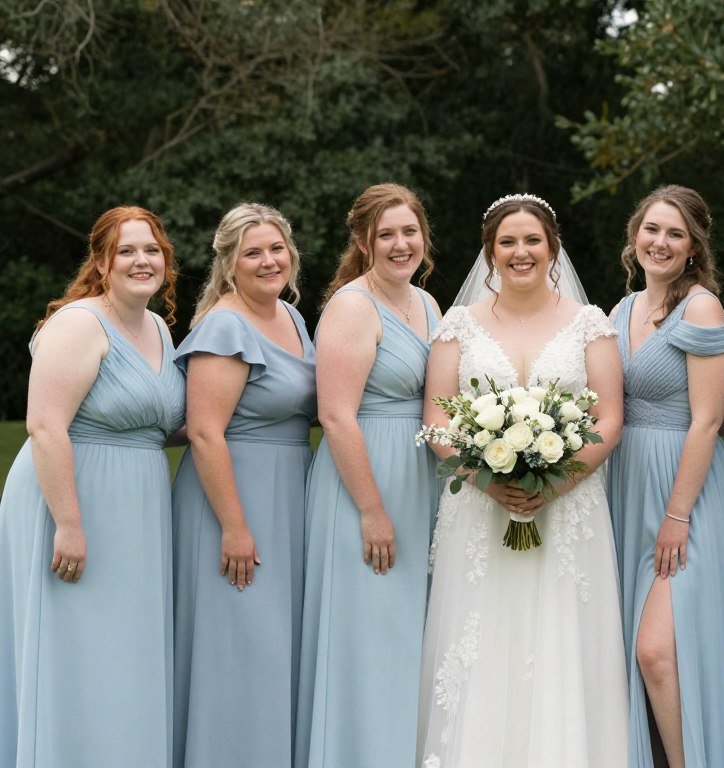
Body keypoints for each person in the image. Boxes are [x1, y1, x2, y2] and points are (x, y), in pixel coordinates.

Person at [417, 194, 628, 767]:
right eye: (507, 242)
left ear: (553, 248)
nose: (521, 252)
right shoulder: (458, 325)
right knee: (484, 638)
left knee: (559, 636)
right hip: (480, 508)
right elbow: (437, 420)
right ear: (490, 252)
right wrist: (486, 480)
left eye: (533, 240)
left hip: (568, 507)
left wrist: (555, 483)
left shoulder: (590, 324)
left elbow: (609, 419)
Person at [0, 205, 185, 766]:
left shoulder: (158, 328)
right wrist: (69, 524)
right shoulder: (79, 323)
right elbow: (44, 425)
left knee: (124, 647)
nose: (141, 260)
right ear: (102, 263)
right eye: (126, 250)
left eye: (151, 250)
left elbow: (158, 423)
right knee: (77, 645)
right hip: (73, 499)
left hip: (138, 508)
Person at [294, 183, 442, 767]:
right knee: (366, 632)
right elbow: (335, 415)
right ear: (363, 242)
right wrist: (372, 509)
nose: (401, 244)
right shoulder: (352, 306)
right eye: (386, 235)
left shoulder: (427, 304)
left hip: (418, 478)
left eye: (410, 231)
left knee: (409, 632)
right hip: (364, 481)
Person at [171, 203, 315, 768]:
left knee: (277, 645)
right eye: (252, 252)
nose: (268, 261)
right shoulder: (225, 326)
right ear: (229, 263)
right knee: (240, 644)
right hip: (234, 499)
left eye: (276, 248)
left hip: (287, 495)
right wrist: (234, 527)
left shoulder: (292, 317)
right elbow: (204, 432)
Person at [606, 186, 724, 768]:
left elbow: (708, 419)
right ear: (635, 235)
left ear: (693, 247)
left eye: (675, 233)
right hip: (626, 484)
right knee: (633, 652)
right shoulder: (621, 310)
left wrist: (677, 515)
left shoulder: (702, 308)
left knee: (656, 652)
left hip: (685, 489)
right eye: (652, 229)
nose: (660, 242)